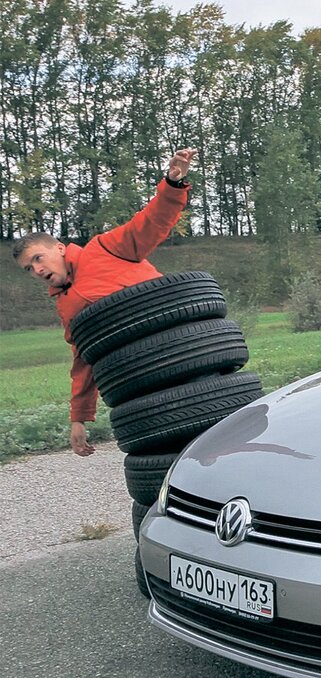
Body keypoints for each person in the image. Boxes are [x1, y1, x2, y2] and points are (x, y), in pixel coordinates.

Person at [12, 148, 197, 457]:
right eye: (29, 269)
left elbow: (149, 224)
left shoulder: (103, 249)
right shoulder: (67, 306)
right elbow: (84, 359)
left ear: (59, 248)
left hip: (183, 347)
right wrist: (79, 418)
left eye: (38, 259)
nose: (38, 270)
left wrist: (173, 183)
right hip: (141, 372)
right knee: (171, 447)